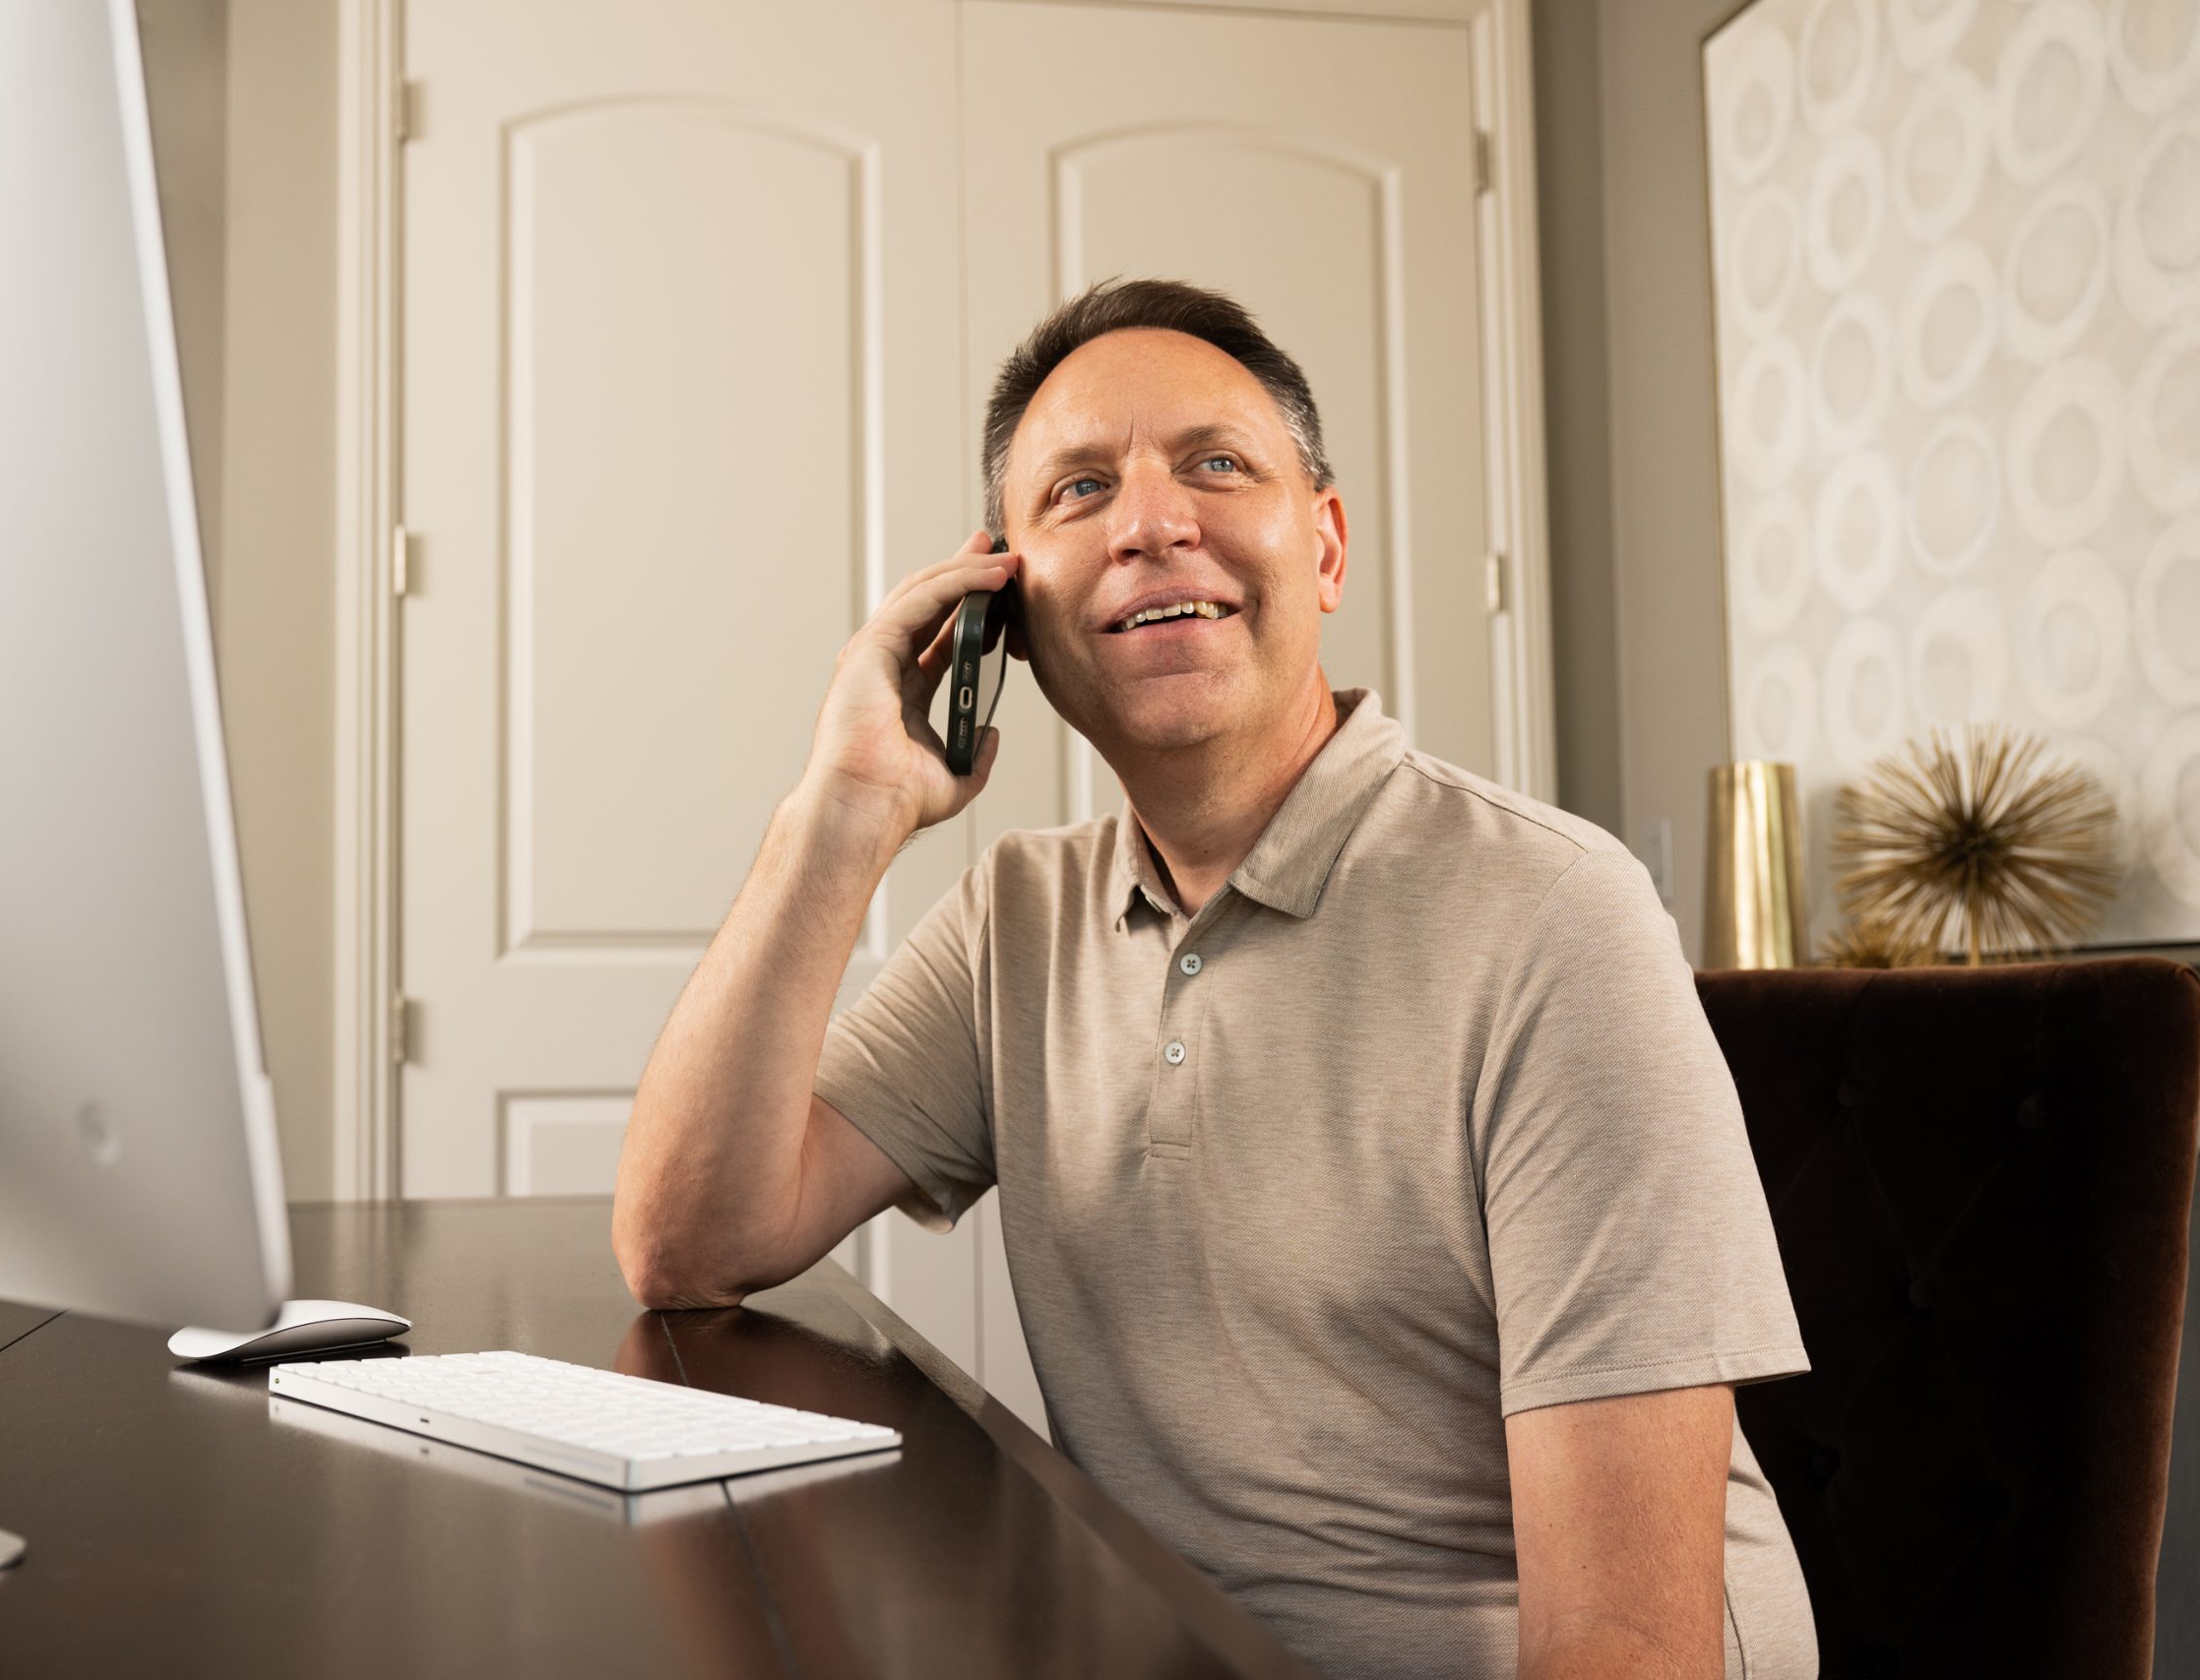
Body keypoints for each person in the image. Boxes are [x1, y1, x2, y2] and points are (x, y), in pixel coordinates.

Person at [612, 279, 1817, 1680]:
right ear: (1001, 606)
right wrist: (840, 811)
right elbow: (689, 1242)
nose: (1150, 522)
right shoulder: (1020, 917)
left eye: (1216, 464)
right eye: (1077, 492)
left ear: (1326, 546)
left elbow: (1627, 1647)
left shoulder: (1555, 913)